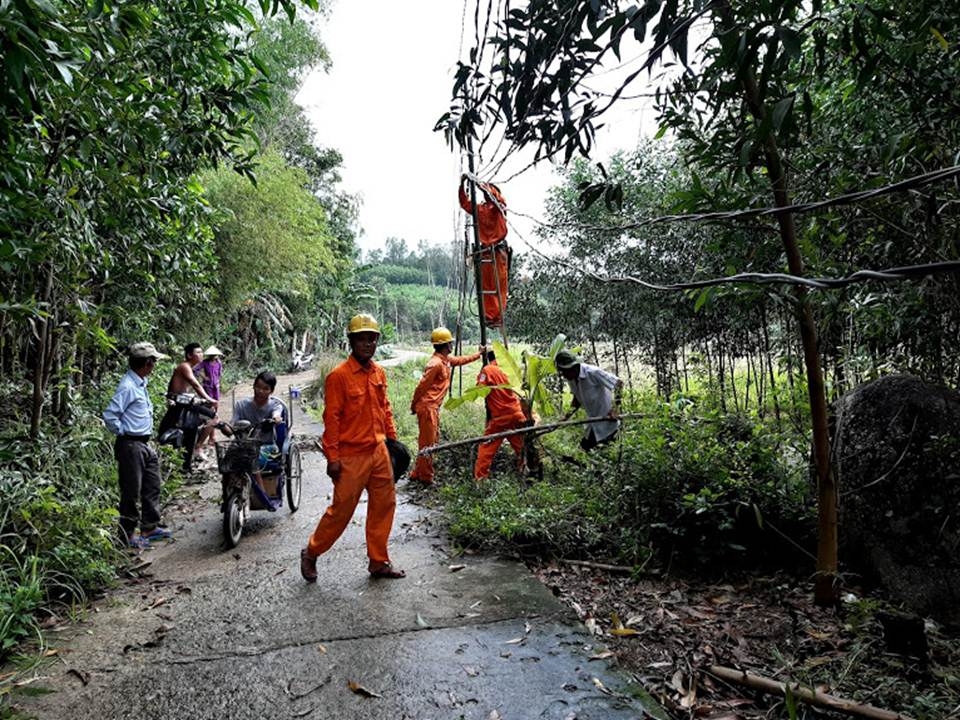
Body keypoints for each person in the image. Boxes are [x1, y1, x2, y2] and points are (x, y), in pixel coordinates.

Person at [300, 314, 404, 582]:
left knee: (384, 505)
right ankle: (312, 551)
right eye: (362, 338)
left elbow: (385, 409)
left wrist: (391, 442)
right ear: (352, 341)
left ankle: (378, 562)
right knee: (342, 511)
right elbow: (331, 419)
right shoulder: (339, 377)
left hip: (379, 451)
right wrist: (332, 458)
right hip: (351, 456)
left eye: (372, 338)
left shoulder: (379, 373)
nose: (368, 343)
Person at [102, 342, 173, 549]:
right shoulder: (128, 387)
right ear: (147, 363)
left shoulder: (139, 383)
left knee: (153, 483)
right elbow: (110, 415)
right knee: (131, 491)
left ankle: (150, 526)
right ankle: (127, 535)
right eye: (154, 361)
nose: (155, 365)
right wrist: (124, 432)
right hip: (131, 444)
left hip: (142, 443)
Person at [408, 327, 485, 485]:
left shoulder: (445, 360)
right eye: (450, 342)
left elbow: (461, 360)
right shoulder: (435, 364)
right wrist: (413, 405)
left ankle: (418, 472)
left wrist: (479, 354)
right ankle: (426, 477)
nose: (452, 345)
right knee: (428, 444)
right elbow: (421, 387)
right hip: (427, 407)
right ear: (445, 345)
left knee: (431, 441)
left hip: (433, 407)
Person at [459, 174, 510, 327]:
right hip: (486, 252)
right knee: (488, 286)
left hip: (497, 251)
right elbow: (465, 203)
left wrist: (479, 184)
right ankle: (490, 317)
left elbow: (495, 198)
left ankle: (496, 317)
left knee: (497, 286)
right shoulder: (480, 209)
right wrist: (463, 185)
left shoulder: (499, 206)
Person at [158, 342, 217, 472]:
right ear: (189, 355)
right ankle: (197, 448)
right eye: (198, 352)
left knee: (199, 424)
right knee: (212, 417)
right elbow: (195, 385)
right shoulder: (184, 366)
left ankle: (193, 452)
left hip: (185, 402)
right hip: (179, 403)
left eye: (202, 352)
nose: (201, 355)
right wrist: (209, 399)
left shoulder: (191, 367)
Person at [231, 371, 286, 511]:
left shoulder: (275, 405)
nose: (261, 391)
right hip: (244, 445)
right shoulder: (241, 405)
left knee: (252, 457)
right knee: (227, 461)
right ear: (253, 386)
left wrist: (275, 419)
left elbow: (277, 414)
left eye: (265, 389)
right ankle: (228, 498)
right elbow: (232, 427)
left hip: (267, 447)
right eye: (258, 387)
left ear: (271, 391)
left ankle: (263, 496)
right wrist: (219, 424)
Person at [473, 350, 528, 480]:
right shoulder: (507, 370)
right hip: (517, 414)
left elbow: (479, 391)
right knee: (521, 446)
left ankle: (480, 479)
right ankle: (525, 472)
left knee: (486, 448)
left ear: (488, 359)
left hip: (500, 418)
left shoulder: (488, 369)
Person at [555, 349, 624, 451]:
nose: (564, 375)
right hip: (593, 424)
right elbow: (577, 399)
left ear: (573, 368)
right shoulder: (572, 379)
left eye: (565, 372)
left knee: (606, 454)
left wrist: (615, 408)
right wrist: (566, 417)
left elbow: (618, 383)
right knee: (583, 454)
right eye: (562, 372)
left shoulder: (593, 373)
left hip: (607, 424)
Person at [194, 346, 224, 450]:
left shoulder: (218, 362)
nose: (213, 356)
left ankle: (212, 436)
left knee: (216, 409)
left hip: (216, 388)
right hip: (207, 388)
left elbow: (220, 374)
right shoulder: (205, 363)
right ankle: (211, 437)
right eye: (211, 355)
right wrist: (204, 377)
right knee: (211, 411)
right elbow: (195, 370)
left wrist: (218, 382)